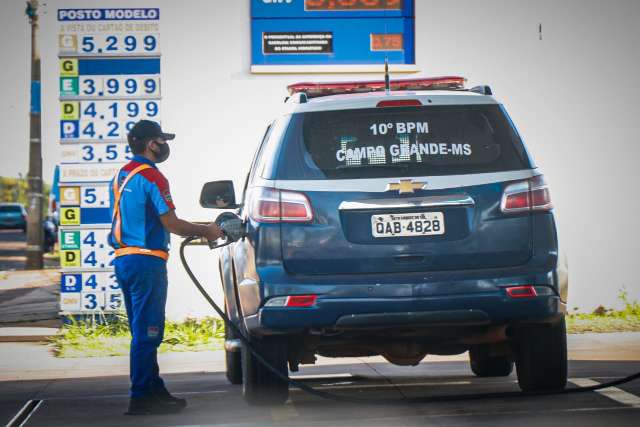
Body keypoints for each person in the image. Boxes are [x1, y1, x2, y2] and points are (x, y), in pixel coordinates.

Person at [109, 120, 222, 415]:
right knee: (148, 331)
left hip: (125, 259)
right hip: (147, 261)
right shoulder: (153, 177)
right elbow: (170, 223)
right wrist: (207, 231)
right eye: (162, 140)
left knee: (142, 331)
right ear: (151, 144)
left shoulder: (122, 175)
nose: (165, 146)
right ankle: (141, 396)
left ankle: (153, 388)